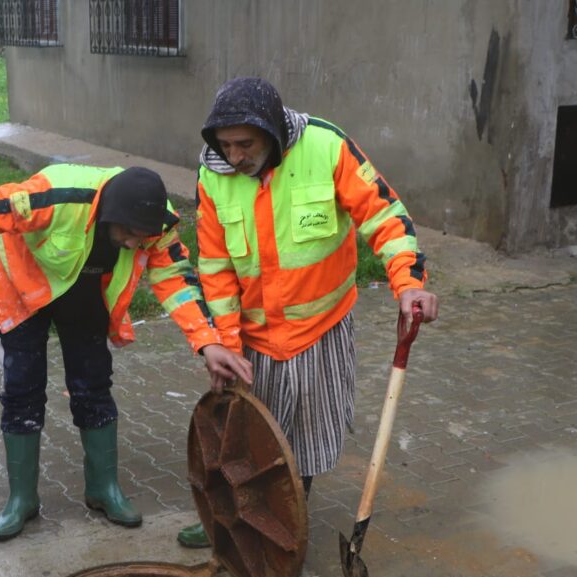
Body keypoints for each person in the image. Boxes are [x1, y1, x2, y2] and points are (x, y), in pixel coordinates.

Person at [0, 164, 253, 540]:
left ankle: (102, 489)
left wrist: (207, 343)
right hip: (21, 292)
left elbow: (175, 278)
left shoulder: (156, 222)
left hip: (86, 295)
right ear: (110, 215)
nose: (131, 244)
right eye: (126, 234)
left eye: (140, 239)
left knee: (93, 385)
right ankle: (22, 499)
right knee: (22, 391)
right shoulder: (52, 196)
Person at [176, 77, 439, 549]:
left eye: (245, 144)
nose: (234, 156)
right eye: (225, 145)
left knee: (303, 440)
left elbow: (385, 216)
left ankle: (285, 532)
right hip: (253, 338)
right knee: (241, 434)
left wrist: (409, 284)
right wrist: (224, 346)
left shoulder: (327, 147)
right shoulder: (213, 173)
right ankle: (227, 515)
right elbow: (215, 268)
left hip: (320, 328)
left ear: (272, 132)